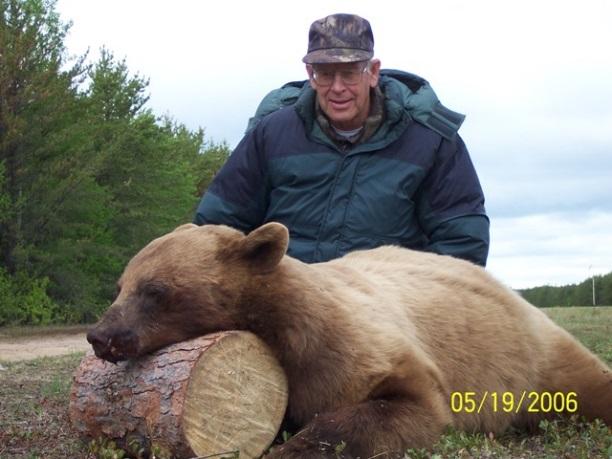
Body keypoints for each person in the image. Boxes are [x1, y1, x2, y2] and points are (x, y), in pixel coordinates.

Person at [194, 13, 490, 266]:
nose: (337, 88)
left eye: (349, 74)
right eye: (325, 74)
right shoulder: (271, 132)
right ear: (310, 74)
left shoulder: (431, 139)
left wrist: (412, 302)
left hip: (384, 305)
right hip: (280, 298)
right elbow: (215, 227)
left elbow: (462, 244)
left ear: (372, 72)